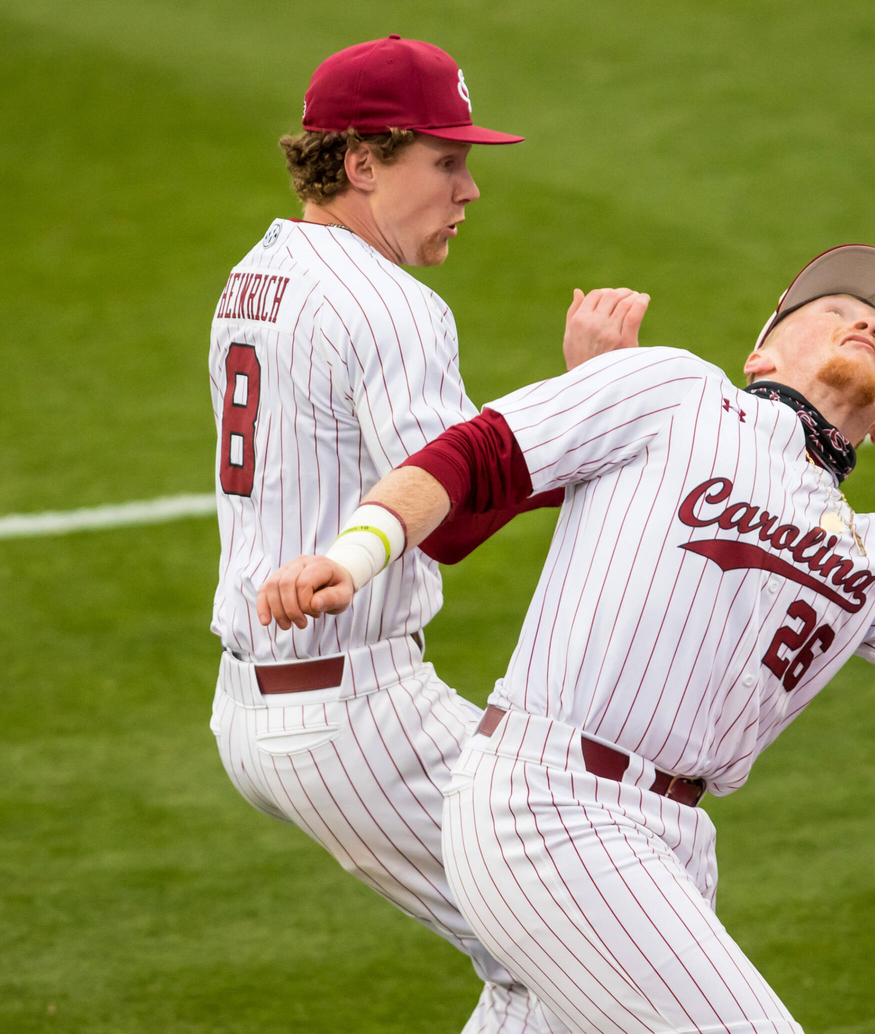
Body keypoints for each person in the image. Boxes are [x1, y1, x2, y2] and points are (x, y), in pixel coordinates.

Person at [256, 245, 875, 1033]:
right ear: (762, 353)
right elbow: (478, 455)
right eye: (836, 307)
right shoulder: (676, 390)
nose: (867, 323)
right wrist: (358, 551)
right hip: (549, 808)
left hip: (669, 846)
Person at [209, 34, 647, 1032]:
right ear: (361, 163)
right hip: (354, 712)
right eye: (444, 162)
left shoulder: (256, 273)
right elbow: (451, 513)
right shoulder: (392, 304)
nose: (468, 189)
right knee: (598, 940)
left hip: (271, 699)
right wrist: (591, 395)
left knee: (564, 950)